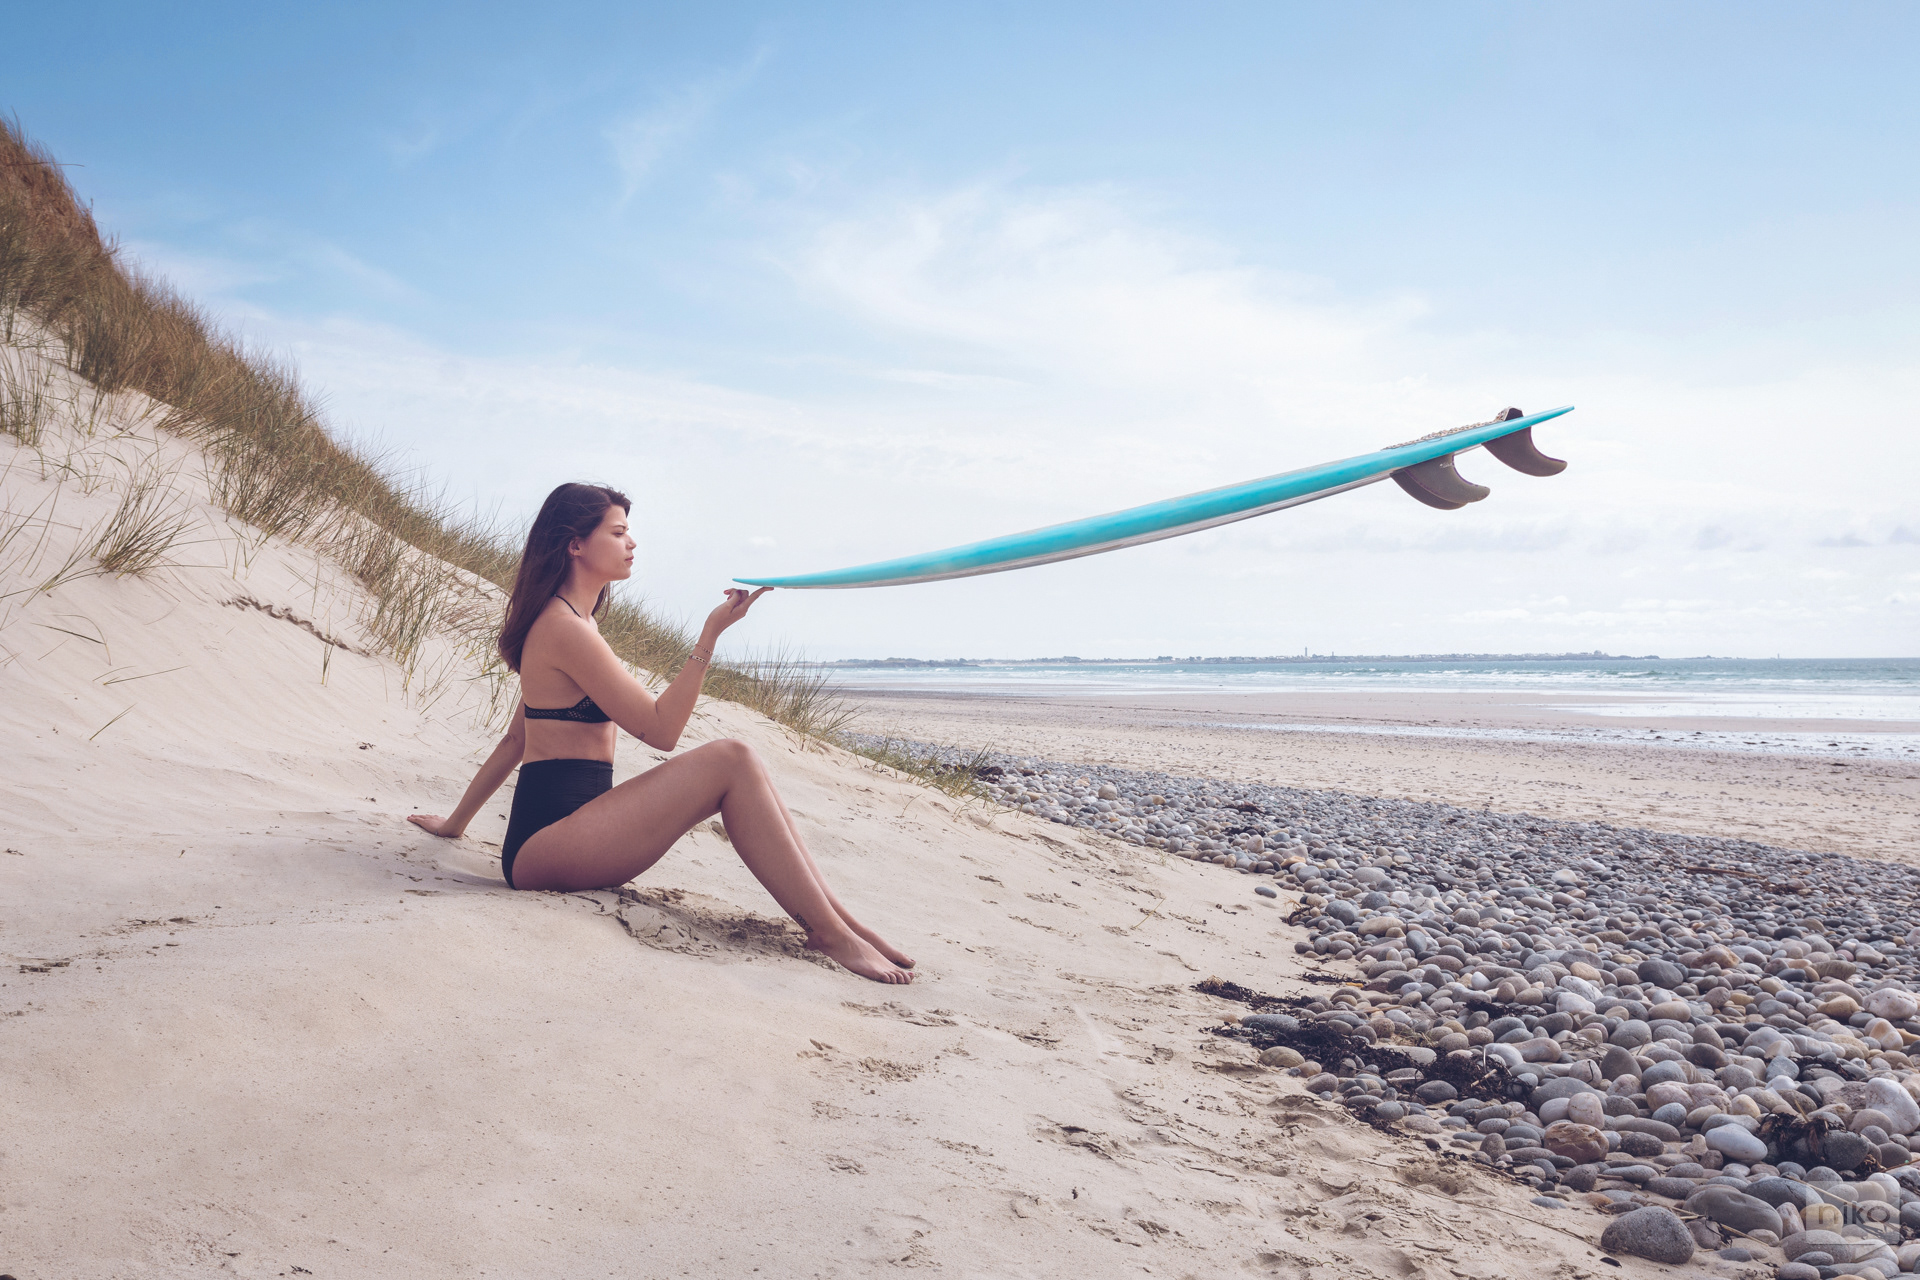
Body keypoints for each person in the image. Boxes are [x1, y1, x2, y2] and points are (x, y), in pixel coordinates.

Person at [408, 482, 913, 985]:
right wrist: (709, 636)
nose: (632, 543)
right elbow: (660, 730)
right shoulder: (565, 629)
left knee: (744, 762)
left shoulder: (573, 622)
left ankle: (841, 922)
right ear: (575, 543)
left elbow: (517, 740)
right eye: (619, 532)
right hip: (546, 845)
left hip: (566, 833)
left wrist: (455, 823)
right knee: (732, 758)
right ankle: (830, 931)